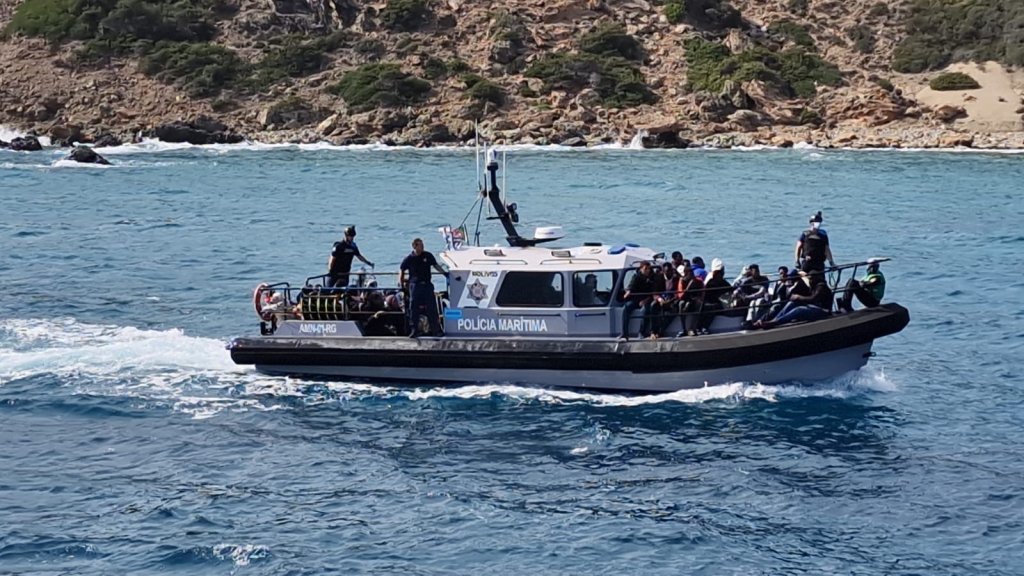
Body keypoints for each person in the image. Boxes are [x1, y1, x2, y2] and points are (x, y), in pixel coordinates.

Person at [400, 238, 448, 337]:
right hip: (415, 285)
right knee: (413, 308)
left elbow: (436, 265)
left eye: (423, 245)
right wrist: (402, 283)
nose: (422, 247)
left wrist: (445, 274)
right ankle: (414, 330)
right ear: (415, 246)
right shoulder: (409, 258)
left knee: (432, 307)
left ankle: (436, 330)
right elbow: (402, 269)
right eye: (420, 245)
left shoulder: (427, 255)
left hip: (427, 284)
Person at [756, 271, 833, 328]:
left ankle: (777, 322)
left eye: (811, 279)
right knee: (792, 303)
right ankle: (774, 319)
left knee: (799, 309)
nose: (810, 280)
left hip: (823, 310)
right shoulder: (813, 286)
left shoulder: (821, 287)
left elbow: (813, 299)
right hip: (813, 306)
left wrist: (799, 297)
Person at [619, 261, 657, 340]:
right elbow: (631, 286)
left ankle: (641, 332)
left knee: (645, 310)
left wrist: (645, 300)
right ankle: (624, 333)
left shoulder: (652, 278)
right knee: (626, 308)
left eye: (648, 269)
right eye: (645, 269)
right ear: (641, 269)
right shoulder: (636, 276)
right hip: (636, 299)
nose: (647, 271)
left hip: (647, 299)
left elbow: (653, 292)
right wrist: (627, 293)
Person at [697, 258, 733, 334]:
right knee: (707, 307)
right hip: (708, 301)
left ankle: (704, 327)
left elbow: (730, 289)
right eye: (720, 272)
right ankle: (700, 327)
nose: (722, 274)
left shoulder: (722, 282)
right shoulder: (710, 281)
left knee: (713, 307)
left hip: (718, 303)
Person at [674, 263, 704, 337]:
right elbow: (680, 295)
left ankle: (692, 328)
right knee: (681, 304)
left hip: (695, 300)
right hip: (685, 299)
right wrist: (688, 287)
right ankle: (683, 329)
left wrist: (698, 298)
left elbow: (702, 293)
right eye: (689, 273)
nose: (691, 275)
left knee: (699, 304)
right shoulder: (682, 281)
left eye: (692, 273)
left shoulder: (699, 281)